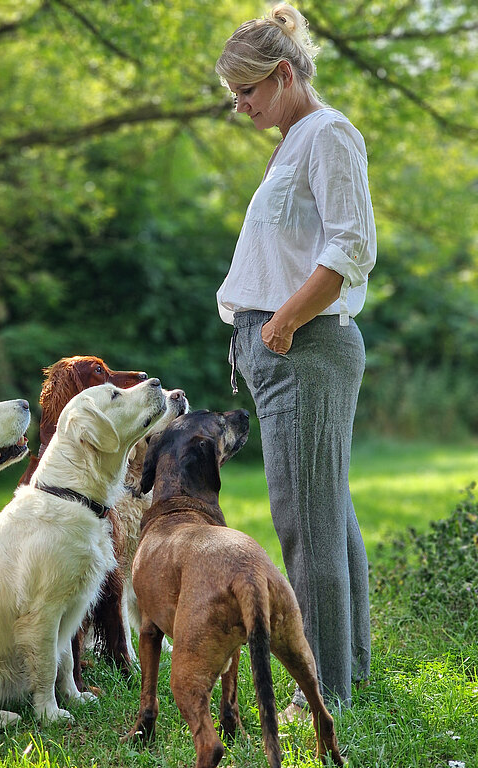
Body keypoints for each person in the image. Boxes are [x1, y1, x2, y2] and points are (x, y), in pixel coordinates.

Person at [215, 4, 376, 718]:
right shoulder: (295, 141)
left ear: (283, 75)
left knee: (305, 524)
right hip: (287, 349)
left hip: (305, 348)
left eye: (247, 90)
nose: (239, 105)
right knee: (325, 512)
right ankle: (350, 673)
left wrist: (279, 324)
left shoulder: (328, 134)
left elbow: (349, 250)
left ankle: (324, 692)